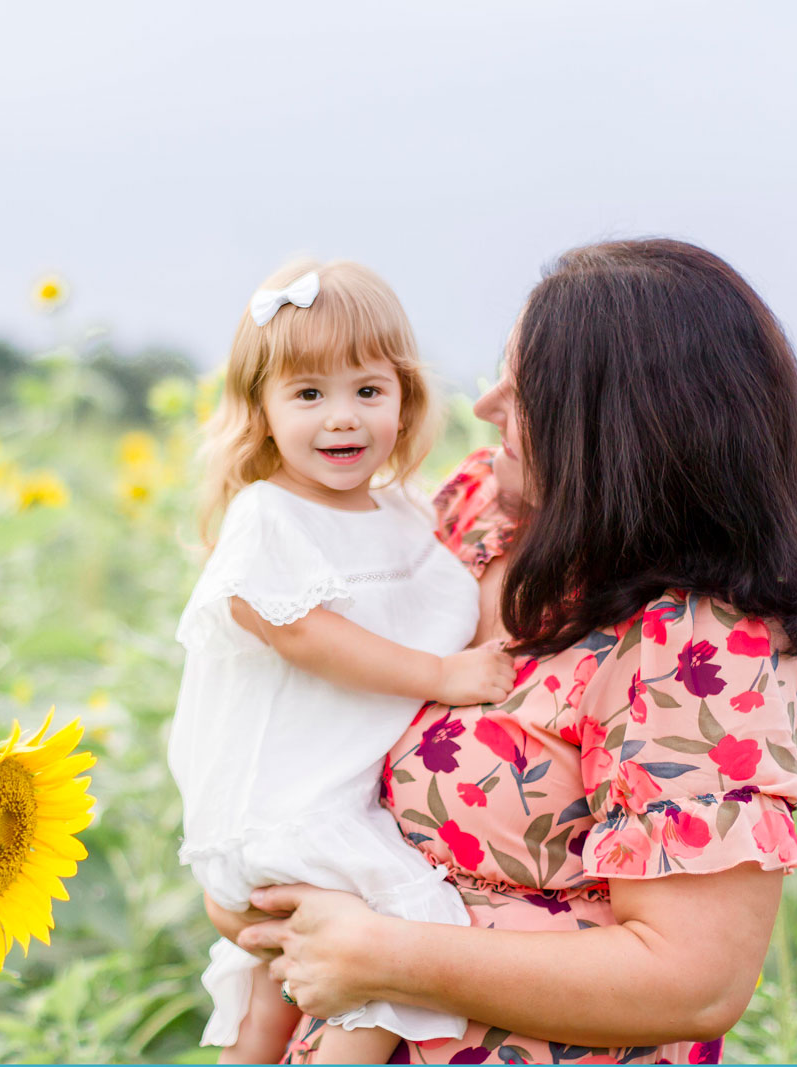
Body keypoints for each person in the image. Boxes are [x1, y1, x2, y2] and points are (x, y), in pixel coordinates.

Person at [207, 239, 797, 1064]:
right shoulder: (481, 507)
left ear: (620, 425)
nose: (484, 405)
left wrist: (383, 954)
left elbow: (695, 979)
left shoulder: (700, 649)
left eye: (525, 389)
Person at [170, 259, 517, 1064]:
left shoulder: (401, 514)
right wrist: (440, 678)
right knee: (405, 935)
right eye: (308, 394)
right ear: (260, 408)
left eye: (367, 391)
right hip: (286, 811)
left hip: (324, 801)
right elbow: (299, 631)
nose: (342, 419)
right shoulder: (270, 515)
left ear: (405, 397)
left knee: (267, 1004)